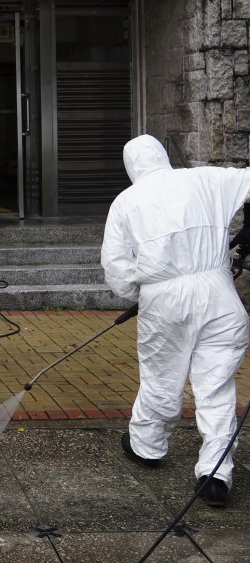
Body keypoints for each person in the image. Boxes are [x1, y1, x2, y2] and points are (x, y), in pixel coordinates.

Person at [102, 134, 250, 508]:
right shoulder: (205, 179)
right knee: (216, 387)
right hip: (220, 297)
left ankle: (148, 446)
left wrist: (142, 293)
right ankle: (216, 474)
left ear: (131, 166)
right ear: (163, 156)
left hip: (164, 301)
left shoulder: (126, 202)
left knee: (161, 377)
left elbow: (117, 270)